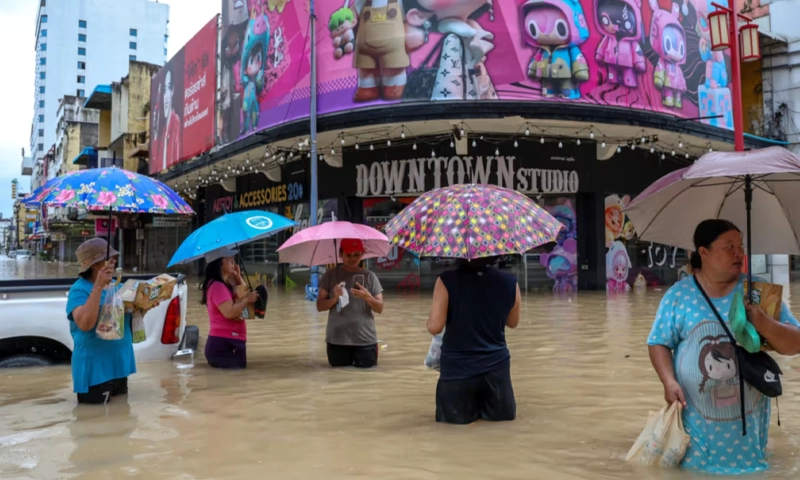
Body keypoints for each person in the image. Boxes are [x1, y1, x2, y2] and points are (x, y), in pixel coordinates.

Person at [648, 219, 800, 474]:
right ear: (704, 252)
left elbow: (794, 344)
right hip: (694, 425)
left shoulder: (758, 291)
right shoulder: (679, 295)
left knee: (750, 472)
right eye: (729, 246)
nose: (739, 253)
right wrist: (668, 382)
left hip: (747, 428)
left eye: (740, 245)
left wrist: (765, 324)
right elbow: (658, 342)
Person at [426, 256, 521, 424]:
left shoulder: (446, 280)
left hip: (457, 372)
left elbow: (435, 327)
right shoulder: (510, 281)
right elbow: (513, 322)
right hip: (497, 371)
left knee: (453, 435)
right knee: (499, 433)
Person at [66, 238, 134, 404]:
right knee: (94, 422)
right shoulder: (79, 289)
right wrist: (98, 287)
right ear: (95, 265)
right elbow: (84, 324)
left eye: (114, 259)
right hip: (95, 366)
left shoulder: (117, 287)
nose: (114, 262)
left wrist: (144, 308)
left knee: (121, 418)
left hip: (119, 362)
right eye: (109, 259)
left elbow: (125, 325)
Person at [316, 239, 384, 368]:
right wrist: (334, 298)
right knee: (338, 380)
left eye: (357, 255)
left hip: (365, 340)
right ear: (341, 254)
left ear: (362, 255)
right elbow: (319, 306)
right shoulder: (331, 275)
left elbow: (380, 308)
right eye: (348, 255)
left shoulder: (370, 276)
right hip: (337, 339)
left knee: (366, 380)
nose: (353, 259)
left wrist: (368, 297)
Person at [200, 246, 260, 370]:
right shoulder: (217, 286)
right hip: (224, 344)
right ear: (220, 263)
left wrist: (238, 278)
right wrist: (247, 300)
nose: (234, 263)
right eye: (230, 260)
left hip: (230, 342)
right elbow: (229, 312)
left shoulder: (225, 284)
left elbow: (245, 306)